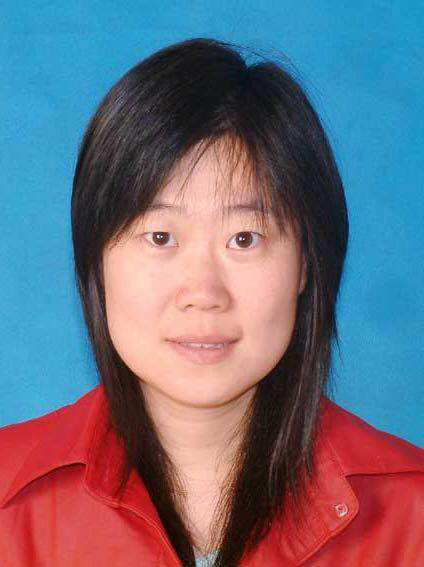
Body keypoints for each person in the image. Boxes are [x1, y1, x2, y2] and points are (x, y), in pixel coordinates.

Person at [0, 37, 423, 567]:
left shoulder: (412, 518)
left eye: (244, 239)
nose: (202, 293)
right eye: (160, 237)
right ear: (96, 261)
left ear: (307, 265)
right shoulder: (9, 505)